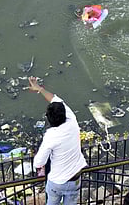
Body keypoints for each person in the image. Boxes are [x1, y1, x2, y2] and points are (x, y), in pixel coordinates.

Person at [28, 76, 87, 205]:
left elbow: (39, 162)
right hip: (75, 179)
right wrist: (39, 88)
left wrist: (39, 167)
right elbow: (54, 98)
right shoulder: (72, 119)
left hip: (57, 182)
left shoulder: (51, 136)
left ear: (48, 119)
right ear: (64, 113)